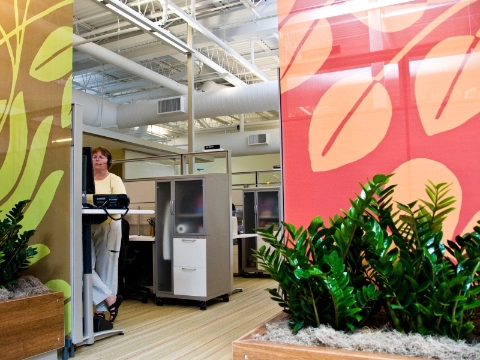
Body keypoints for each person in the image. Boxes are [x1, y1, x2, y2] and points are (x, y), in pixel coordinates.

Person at [91, 146, 126, 323]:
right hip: (87, 226)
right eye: (94, 156)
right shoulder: (85, 180)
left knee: (106, 268)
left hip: (109, 225)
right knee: (83, 266)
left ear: (108, 161)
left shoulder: (114, 179)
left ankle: (100, 311)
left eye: (102, 157)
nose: (97, 159)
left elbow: (122, 202)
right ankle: (110, 298)